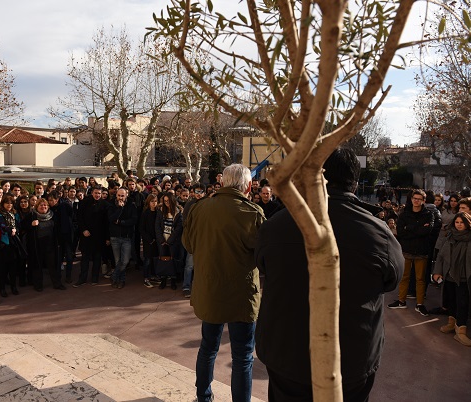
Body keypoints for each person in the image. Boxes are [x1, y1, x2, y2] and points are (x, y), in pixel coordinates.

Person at [255, 148, 404, 402]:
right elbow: (392, 279)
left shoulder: (277, 225)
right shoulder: (377, 233)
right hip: (350, 359)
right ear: (355, 184)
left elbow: (263, 266)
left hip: (287, 353)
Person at [182, 164, 265, 402]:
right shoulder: (253, 213)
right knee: (243, 356)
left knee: (208, 348)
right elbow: (263, 255)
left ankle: (203, 397)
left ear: (223, 182)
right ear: (248, 186)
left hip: (210, 290)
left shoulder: (200, 208)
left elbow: (189, 245)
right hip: (242, 295)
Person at [389, 189, 434, 316]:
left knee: (420, 279)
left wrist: (409, 228)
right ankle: (401, 301)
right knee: (404, 277)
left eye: (419, 199)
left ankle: (420, 304)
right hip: (406, 250)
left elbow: (427, 231)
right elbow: (401, 233)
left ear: (423, 201)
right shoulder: (404, 214)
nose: (416, 201)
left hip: (421, 251)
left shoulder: (428, 214)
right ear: (411, 199)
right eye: (415, 198)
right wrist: (417, 229)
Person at [432, 212, 471, 346]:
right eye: (457, 222)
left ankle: (460, 331)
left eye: (462, 222)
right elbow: (441, 256)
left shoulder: (469, 238)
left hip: (464, 277)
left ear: (467, 224)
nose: (459, 225)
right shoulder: (450, 236)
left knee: (463, 303)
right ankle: (451, 323)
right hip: (449, 276)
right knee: (451, 301)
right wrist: (437, 272)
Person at [76, 185, 108, 286]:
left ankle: (95, 278)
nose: (97, 195)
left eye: (99, 193)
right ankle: (82, 278)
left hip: (99, 236)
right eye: (96, 193)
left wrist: (107, 237)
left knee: (97, 258)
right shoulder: (84, 202)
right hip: (86, 235)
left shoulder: (105, 205)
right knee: (85, 258)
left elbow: (106, 222)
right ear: (92, 193)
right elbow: (79, 218)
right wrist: (84, 230)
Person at [108, 187, 137, 289]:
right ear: (116, 195)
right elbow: (111, 219)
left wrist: (121, 222)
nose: (120, 198)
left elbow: (133, 220)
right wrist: (119, 209)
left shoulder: (131, 205)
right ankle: (120, 280)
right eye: (119, 195)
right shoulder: (111, 204)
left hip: (126, 237)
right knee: (118, 261)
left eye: (122, 196)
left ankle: (114, 276)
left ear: (126, 195)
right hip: (115, 237)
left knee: (124, 261)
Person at [155, 192, 183, 290]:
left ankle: (173, 280)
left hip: (173, 241)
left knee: (173, 260)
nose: (166, 203)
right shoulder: (160, 210)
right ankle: (163, 279)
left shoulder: (178, 212)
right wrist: (161, 240)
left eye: (168, 201)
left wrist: (170, 240)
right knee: (163, 259)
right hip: (162, 240)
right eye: (165, 201)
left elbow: (179, 228)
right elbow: (157, 226)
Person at [0, 195, 21, 297]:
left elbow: (19, 227)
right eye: (7, 203)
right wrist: (10, 229)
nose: (9, 205)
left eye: (11, 203)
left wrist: (16, 230)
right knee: (2, 268)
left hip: (14, 243)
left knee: (13, 267)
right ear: (3, 204)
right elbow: (0, 227)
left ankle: (13, 287)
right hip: (3, 244)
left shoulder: (15, 214)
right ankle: (2, 288)